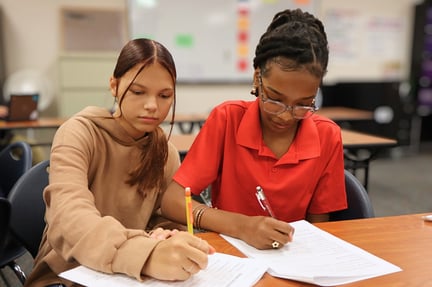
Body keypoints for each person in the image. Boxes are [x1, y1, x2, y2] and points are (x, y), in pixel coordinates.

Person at [24, 38, 214, 287]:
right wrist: (146, 255)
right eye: (137, 92)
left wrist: (168, 234)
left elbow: (164, 217)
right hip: (68, 272)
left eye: (165, 95)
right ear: (114, 85)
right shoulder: (79, 133)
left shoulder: (165, 152)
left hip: (129, 273)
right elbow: (70, 218)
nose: (152, 106)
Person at [161, 9, 347, 250]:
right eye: (274, 99)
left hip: (292, 257)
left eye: (303, 105)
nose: (285, 115)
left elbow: (320, 227)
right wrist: (241, 226)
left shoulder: (327, 136)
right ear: (257, 77)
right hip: (231, 253)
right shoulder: (227, 120)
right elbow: (173, 202)